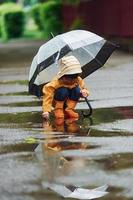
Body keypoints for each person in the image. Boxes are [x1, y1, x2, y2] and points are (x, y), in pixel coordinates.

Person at [42, 55, 89, 120]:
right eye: (69, 77)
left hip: (69, 100)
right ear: (63, 76)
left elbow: (84, 88)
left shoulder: (77, 79)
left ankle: (69, 109)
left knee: (77, 90)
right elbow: (48, 96)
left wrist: (84, 93)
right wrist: (46, 111)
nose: (72, 80)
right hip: (58, 100)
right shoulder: (56, 82)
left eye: (74, 76)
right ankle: (59, 110)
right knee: (63, 91)